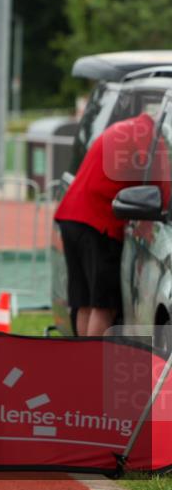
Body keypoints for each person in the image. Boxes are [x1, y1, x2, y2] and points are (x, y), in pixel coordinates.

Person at [55, 112, 156, 337]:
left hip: (71, 216)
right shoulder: (151, 140)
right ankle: (94, 365)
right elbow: (163, 192)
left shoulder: (122, 128)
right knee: (103, 305)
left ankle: (83, 364)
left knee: (85, 301)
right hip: (98, 224)